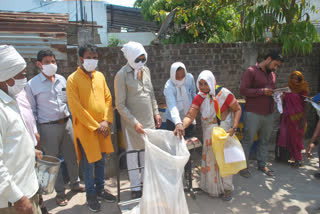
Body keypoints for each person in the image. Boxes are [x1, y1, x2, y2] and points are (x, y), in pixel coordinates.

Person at [25, 50, 84, 206]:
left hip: (66, 123)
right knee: (54, 160)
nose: (51, 65)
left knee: (72, 155)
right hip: (47, 127)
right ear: (39, 64)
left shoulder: (62, 79)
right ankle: (59, 192)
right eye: (47, 62)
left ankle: (75, 183)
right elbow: (31, 110)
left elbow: (68, 101)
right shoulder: (32, 85)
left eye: (53, 61)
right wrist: (35, 132)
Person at [175, 70, 241, 201]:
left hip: (224, 131)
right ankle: (212, 187)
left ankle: (227, 189)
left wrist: (234, 127)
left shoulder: (224, 94)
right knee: (211, 159)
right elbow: (190, 115)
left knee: (224, 160)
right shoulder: (200, 97)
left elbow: (237, 109)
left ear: (211, 82)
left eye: (205, 84)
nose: (203, 87)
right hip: (208, 133)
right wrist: (181, 125)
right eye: (200, 84)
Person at [66, 44, 116, 212]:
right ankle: (91, 195)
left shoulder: (100, 76)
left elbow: (108, 99)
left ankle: (101, 189)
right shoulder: (72, 79)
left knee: (101, 160)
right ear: (81, 59)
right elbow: (76, 108)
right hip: (87, 130)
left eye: (95, 57)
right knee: (89, 164)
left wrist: (105, 121)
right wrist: (96, 126)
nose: (92, 60)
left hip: (102, 127)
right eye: (89, 57)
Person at [114, 41, 161, 199]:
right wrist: (134, 122)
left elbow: (151, 94)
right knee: (133, 156)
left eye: (143, 58)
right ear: (131, 58)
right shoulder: (121, 75)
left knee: (147, 155)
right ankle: (135, 187)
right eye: (138, 59)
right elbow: (120, 105)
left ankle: (146, 183)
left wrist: (156, 113)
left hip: (149, 121)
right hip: (132, 125)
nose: (141, 62)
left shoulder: (146, 70)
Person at [0, 45, 43, 214]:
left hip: (27, 191)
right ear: (6, 78)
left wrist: (30, 151)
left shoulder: (10, 100)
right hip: (13, 202)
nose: (25, 80)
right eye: (22, 75)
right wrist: (18, 197)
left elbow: (12, 141)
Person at [239, 51, 284, 178]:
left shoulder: (273, 75)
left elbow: (271, 91)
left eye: (277, 66)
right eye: (275, 64)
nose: (275, 68)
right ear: (268, 59)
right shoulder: (251, 71)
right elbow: (243, 90)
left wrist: (277, 94)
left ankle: (262, 164)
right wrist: (262, 91)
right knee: (248, 140)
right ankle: (243, 167)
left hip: (269, 113)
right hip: (253, 112)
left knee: (264, 140)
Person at [15, 89, 51, 214]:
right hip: (21, 148)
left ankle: (41, 205)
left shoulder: (21, 91)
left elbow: (29, 113)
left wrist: (35, 131)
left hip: (32, 141)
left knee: (36, 178)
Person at [277, 71, 308, 167]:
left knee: (296, 139)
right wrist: (281, 98)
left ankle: (299, 159)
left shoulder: (303, 89)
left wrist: (303, 118)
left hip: (298, 118)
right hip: (288, 117)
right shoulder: (287, 88)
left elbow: (305, 104)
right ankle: (293, 158)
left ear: (300, 80)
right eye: (293, 78)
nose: (294, 80)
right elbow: (284, 103)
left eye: (297, 79)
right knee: (289, 138)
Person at [164, 62, 196, 137]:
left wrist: (194, 111)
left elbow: (193, 94)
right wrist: (178, 123)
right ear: (172, 75)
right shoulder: (169, 86)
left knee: (189, 144)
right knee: (175, 145)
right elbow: (172, 105)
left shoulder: (189, 78)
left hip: (188, 118)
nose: (181, 78)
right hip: (173, 122)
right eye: (177, 77)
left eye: (182, 76)